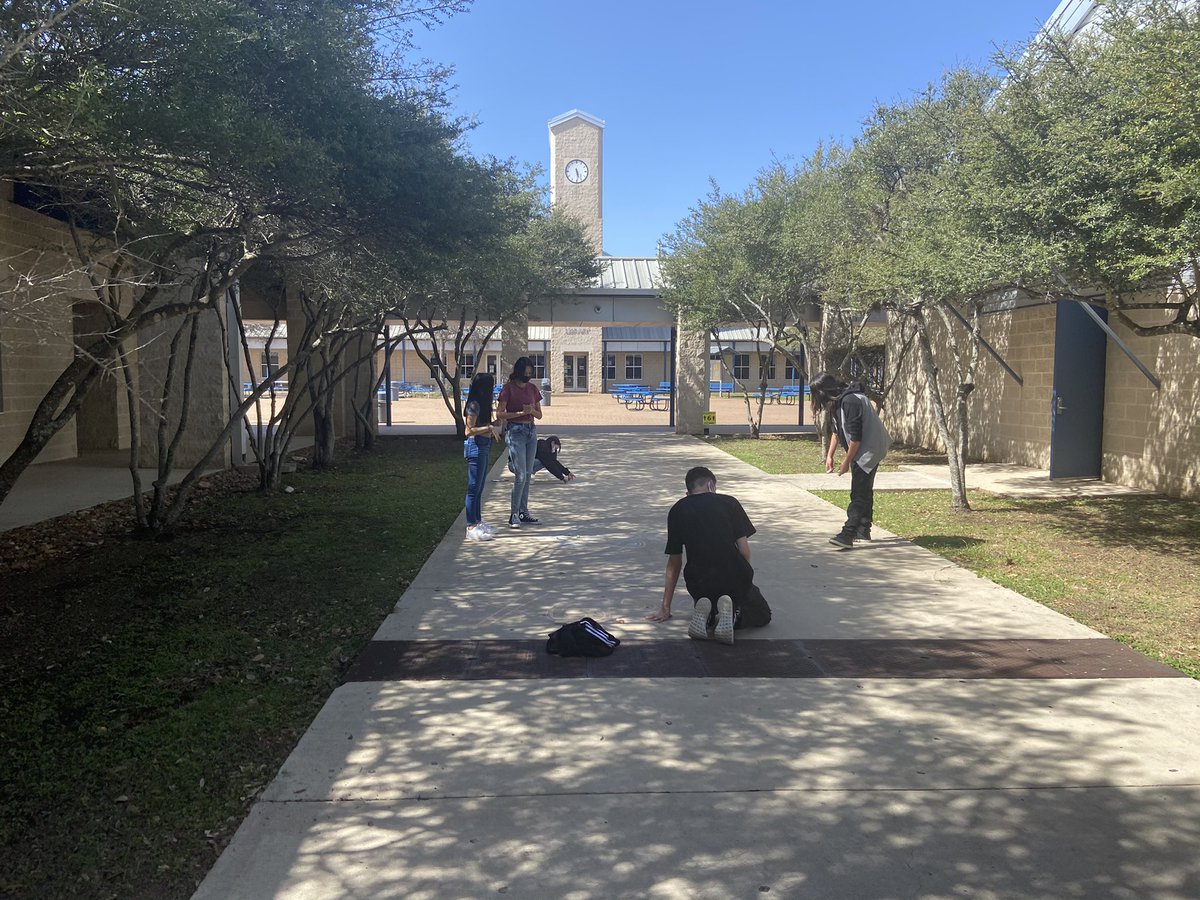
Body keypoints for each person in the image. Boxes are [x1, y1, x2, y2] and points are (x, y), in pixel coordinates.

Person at [645, 466, 771, 645]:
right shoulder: (729, 503)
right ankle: (734, 612)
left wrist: (665, 608)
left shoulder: (677, 510)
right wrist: (744, 583)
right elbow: (744, 551)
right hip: (732, 576)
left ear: (688, 492)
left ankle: (709, 615)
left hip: (699, 581)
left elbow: (674, 563)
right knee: (763, 614)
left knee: (706, 596)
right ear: (712, 485)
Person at [809, 372, 891, 549]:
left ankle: (848, 533)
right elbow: (837, 432)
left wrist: (846, 462)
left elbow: (856, 437)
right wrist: (829, 456)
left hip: (870, 448)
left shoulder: (850, 401)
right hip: (863, 447)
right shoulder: (838, 402)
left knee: (859, 492)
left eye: (816, 394)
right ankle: (863, 529)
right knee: (865, 489)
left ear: (824, 391)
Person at [495, 356, 543, 528]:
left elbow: (539, 414)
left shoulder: (533, 389)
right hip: (516, 432)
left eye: (530, 373)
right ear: (518, 372)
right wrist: (518, 413)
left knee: (528, 474)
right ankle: (514, 514)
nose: (528, 376)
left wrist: (531, 411)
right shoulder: (508, 389)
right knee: (520, 474)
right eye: (526, 373)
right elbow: (499, 414)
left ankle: (524, 512)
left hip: (531, 431)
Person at [462, 372, 502, 542]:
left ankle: (478, 521)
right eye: (491, 386)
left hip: (485, 446)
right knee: (473, 488)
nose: (493, 389)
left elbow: (483, 426)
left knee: (479, 487)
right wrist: (489, 428)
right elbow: (468, 430)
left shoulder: (483, 405)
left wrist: (494, 424)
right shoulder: (474, 405)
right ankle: (471, 525)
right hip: (475, 446)